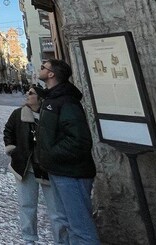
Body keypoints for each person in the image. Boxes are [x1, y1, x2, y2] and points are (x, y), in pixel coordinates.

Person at [36, 59, 99, 245]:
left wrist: (51, 153)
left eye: (43, 67)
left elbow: (79, 140)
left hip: (71, 173)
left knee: (81, 229)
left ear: (51, 74)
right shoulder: (53, 98)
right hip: (59, 170)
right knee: (64, 221)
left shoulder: (66, 101)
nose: (40, 69)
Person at [4, 85, 67, 245]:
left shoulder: (50, 116)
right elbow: (8, 131)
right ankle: (29, 239)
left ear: (40, 99)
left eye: (31, 93)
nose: (27, 94)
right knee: (27, 205)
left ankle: (61, 240)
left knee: (56, 210)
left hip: (47, 168)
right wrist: (12, 150)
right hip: (24, 167)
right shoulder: (18, 114)